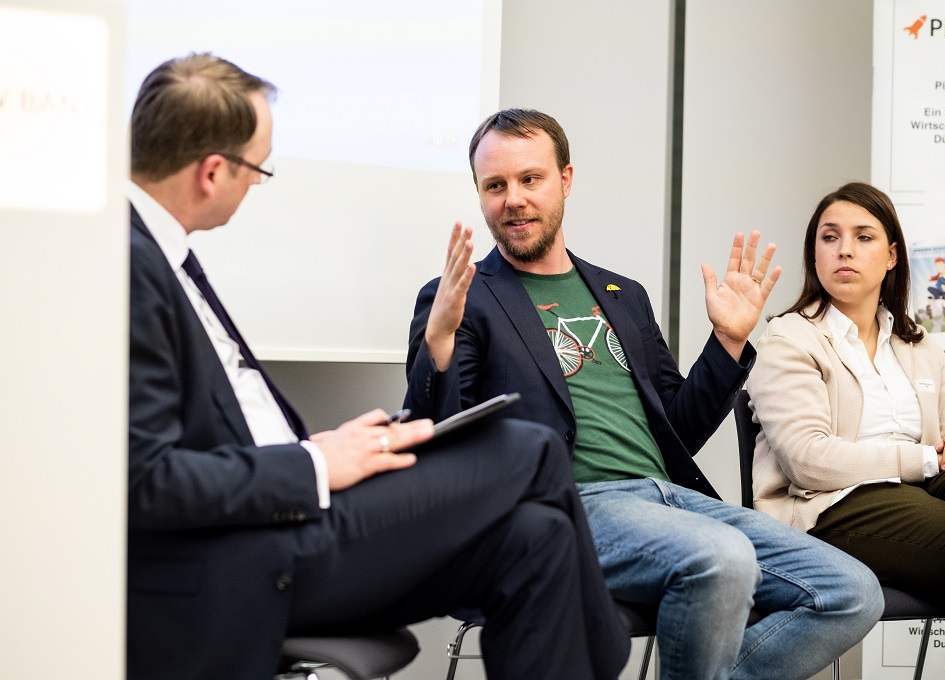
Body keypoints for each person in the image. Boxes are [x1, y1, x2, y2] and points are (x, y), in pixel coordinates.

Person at [127, 55, 629, 680]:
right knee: (531, 447)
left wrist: (321, 448)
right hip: (253, 552)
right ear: (211, 172)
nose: (256, 184)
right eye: (258, 168)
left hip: (286, 510)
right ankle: (609, 655)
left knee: (537, 537)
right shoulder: (130, 265)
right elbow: (145, 481)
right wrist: (313, 464)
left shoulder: (160, 255)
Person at [404, 108, 883, 680]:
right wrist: (438, 345)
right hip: (565, 508)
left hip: (671, 502)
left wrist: (729, 341)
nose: (514, 199)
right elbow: (435, 439)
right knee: (721, 558)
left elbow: (678, 431)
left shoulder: (622, 294)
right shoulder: (463, 297)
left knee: (851, 591)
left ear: (566, 179)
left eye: (531, 179)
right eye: (495, 186)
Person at [746, 181, 945, 680]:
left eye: (863, 236)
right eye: (830, 237)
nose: (844, 249)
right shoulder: (789, 337)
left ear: (891, 256)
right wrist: (926, 458)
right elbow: (807, 460)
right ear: (815, 254)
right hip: (830, 508)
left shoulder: (919, 345)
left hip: (921, 498)